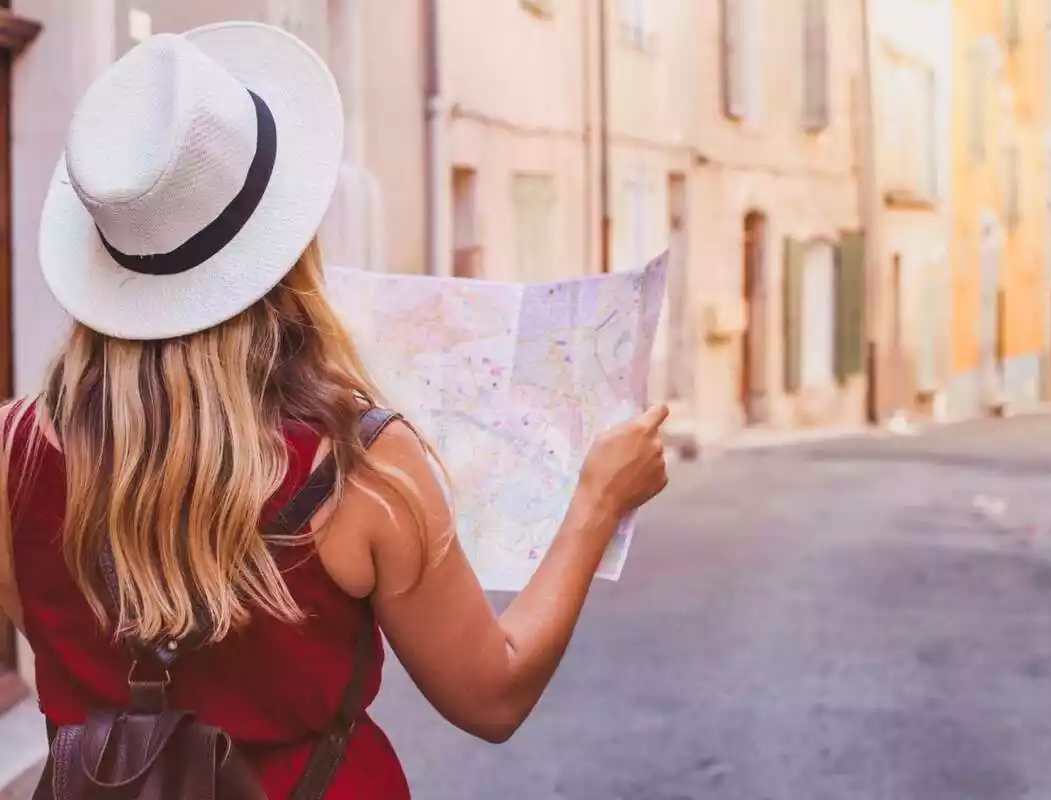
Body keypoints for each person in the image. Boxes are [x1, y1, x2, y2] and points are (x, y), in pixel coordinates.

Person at [0, 22, 669, 799]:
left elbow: (52, 637)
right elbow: (492, 694)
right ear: (288, 244)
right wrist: (595, 504)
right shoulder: (361, 466)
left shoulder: (11, 448)